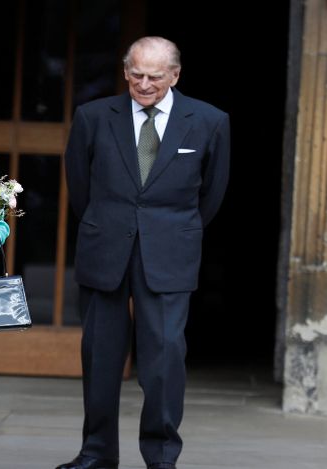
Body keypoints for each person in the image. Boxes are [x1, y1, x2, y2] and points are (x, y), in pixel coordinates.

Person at [59, 36, 230, 469]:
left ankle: (161, 458)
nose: (145, 84)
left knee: (165, 359)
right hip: (106, 248)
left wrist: (169, 229)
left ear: (175, 75)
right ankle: (96, 454)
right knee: (100, 357)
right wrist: (112, 224)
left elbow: (211, 194)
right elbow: (80, 188)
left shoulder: (209, 120)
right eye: (136, 74)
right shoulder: (93, 116)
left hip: (171, 252)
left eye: (155, 76)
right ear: (125, 72)